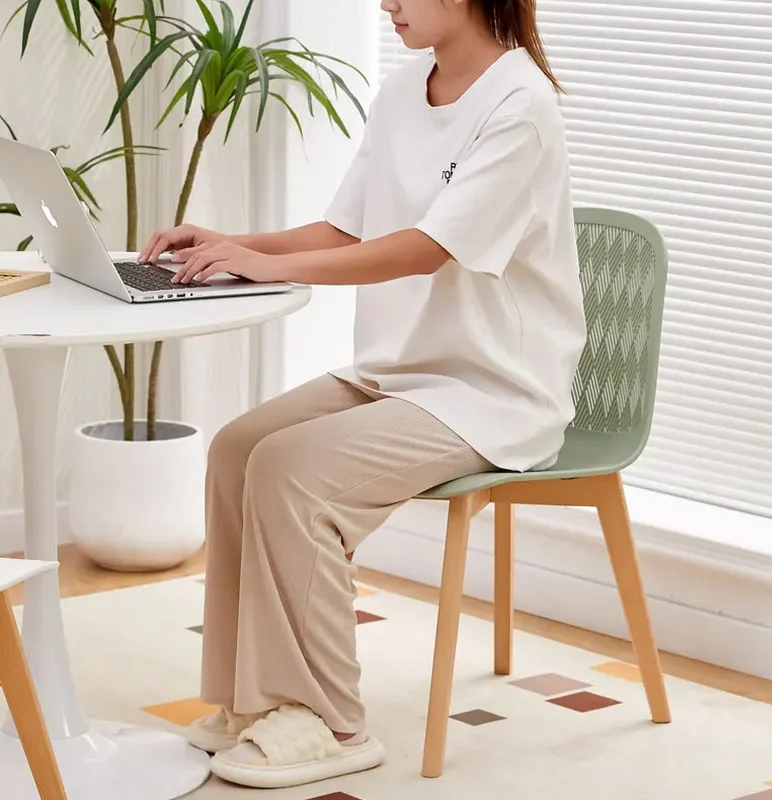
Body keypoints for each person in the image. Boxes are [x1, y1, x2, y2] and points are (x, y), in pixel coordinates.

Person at [139, 0, 586, 789]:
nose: (386, 4)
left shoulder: (522, 104)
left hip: (493, 391)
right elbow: (348, 230)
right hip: (401, 369)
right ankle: (256, 701)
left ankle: (333, 721)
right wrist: (231, 244)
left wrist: (268, 267)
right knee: (239, 448)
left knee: (294, 472)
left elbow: (425, 250)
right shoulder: (403, 90)